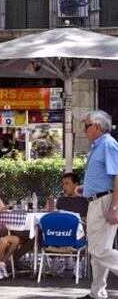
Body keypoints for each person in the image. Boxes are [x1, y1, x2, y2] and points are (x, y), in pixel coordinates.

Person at [76, 110, 118, 299]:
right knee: (98, 250)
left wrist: (114, 207)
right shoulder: (100, 145)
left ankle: (96, 292)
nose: (84, 130)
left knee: (97, 250)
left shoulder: (108, 144)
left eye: (86, 126)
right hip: (98, 200)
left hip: (104, 202)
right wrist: (87, 188)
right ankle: (96, 293)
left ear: (97, 127)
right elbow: (106, 176)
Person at [0, 174, 34, 271]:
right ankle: (13, 261)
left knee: (33, 237)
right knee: (31, 236)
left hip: (7, 227)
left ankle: (14, 259)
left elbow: (5, 212)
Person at [49, 172, 88, 276]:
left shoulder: (84, 201)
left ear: (76, 185)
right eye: (63, 184)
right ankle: (55, 260)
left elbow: (86, 220)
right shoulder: (61, 200)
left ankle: (77, 263)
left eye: (67, 183)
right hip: (60, 233)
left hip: (77, 234)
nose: (64, 186)